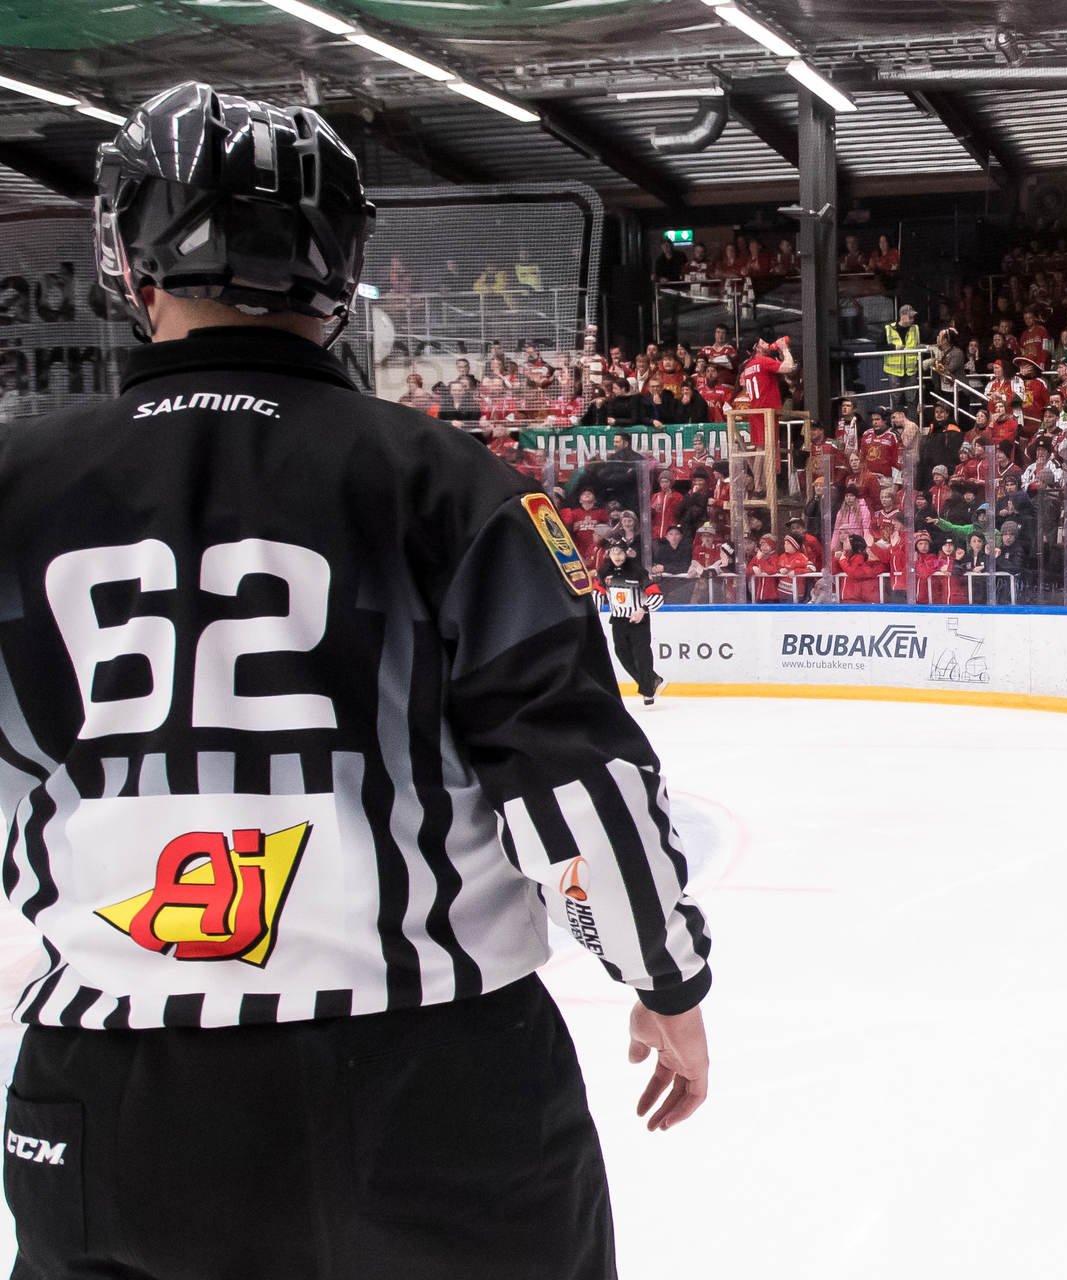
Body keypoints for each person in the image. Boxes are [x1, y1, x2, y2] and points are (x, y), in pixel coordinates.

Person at [0, 83, 709, 1279]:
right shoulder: (450, 485)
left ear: (128, 248)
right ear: (341, 260)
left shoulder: (16, 491)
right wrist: (664, 975)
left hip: (118, 1093)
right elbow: (578, 785)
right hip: (439, 1087)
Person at [600, 541, 665, 705]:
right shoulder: (604, 571)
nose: (617, 556)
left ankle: (648, 692)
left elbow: (657, 595)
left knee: (641, 654)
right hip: (618, 620)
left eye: (620, 553)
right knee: (622, 655)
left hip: (639, 619)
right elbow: (597, 592)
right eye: (614, 552)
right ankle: (651, 680)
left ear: (626, 553)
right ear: (609, 553)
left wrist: (642, 609)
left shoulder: (637, 570)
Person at [882, 304, 921, 407]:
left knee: (912, 399)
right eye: (910, 317)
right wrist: (894, 347)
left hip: (910, 370)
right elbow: (879, 346)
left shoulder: (915, 329)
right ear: (903, 317)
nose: (913, 320)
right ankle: (897, 422)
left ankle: (913, 422)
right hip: (893, 371)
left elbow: (929, 334)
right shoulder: (888, 328)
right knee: (896, 399)